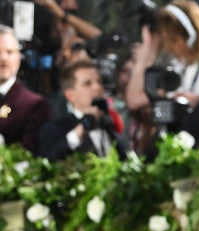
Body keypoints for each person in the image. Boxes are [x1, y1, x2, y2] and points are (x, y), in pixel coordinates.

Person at [38, 59, 126, 160]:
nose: (97, 87)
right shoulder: (54, 129)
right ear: (70, 95)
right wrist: (83, 126)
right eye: (87, 84)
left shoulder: (108, 127)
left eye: (99, 82)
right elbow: (49, 159)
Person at [0, 24, 51, 153]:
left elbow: (31, 157)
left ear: (18, 58)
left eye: (9, 52)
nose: (3, 58)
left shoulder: (34, 104)